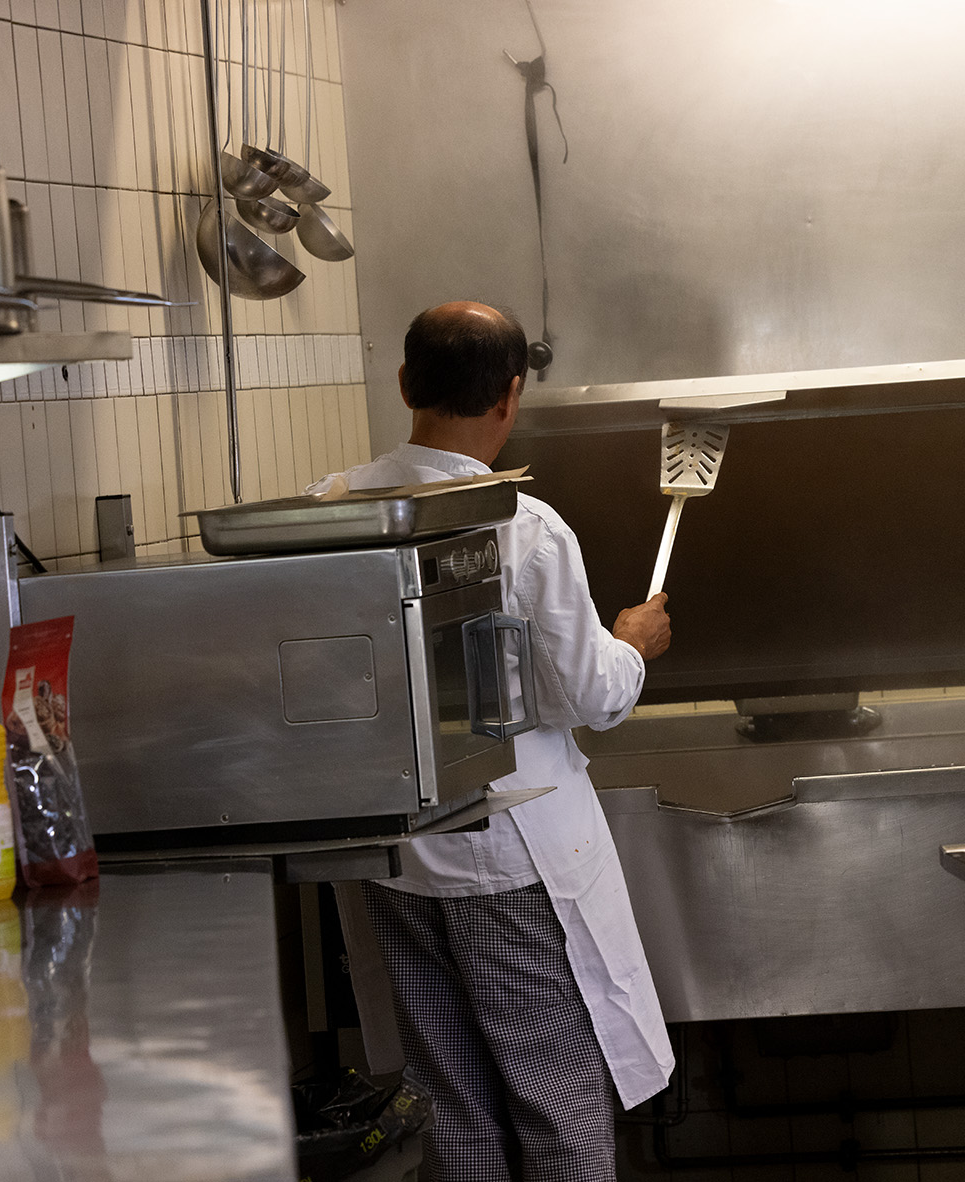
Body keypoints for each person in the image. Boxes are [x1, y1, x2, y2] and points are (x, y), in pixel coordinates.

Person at [309, 301, 675, 1180]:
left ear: (405, 383)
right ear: (511, 396)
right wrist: (631, 644)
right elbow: (590, 695)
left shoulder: (332, 506)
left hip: (394, 859)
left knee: (456, 1113)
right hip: (509, 861)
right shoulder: (525, 527)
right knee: (558, 1112)